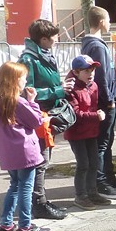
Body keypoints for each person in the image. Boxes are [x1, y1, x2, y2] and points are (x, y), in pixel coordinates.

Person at [0, 61, 51, 231]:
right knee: (26, 187)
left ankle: (6, 224)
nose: (25, 81)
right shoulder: (17, 101)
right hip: (24, 151)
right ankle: (25, 226)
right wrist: (32, 102)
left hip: (7, 152)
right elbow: (35, 121)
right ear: (14, 80)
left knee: (15, 186)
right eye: (23, 78)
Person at [19, 19, 73, 220]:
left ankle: (40, 200)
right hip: (38, 116)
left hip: (47, 115)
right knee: (41, 161)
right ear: (43, 39)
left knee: (43, 160)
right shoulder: (29, 59)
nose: (56, 39)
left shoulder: (43, 55)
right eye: (54, 36)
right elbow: (28, 92)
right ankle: (38, 204)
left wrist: (60, 89)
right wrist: (58, 90)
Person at [81, 6, 116, 197]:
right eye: (109, 20)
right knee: (102, 143)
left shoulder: (93, 44)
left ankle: (109, 176)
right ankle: (100, 181)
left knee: (107, 141)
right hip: (105, 102)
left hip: (105, 99)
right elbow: (101, 75)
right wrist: (109, 99)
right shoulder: (97, 46)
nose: (110, 24)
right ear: (102, 22)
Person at [64, 55, 110, 210]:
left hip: (91, 130)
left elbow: (93, 106)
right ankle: (81, 196)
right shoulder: (72, 89)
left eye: (92, 70)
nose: (90, 74)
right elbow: (75, 114)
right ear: (76, 72)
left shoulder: (93, 85)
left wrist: (97, 115)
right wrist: (95, 116)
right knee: (83, 164)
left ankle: (92, 192)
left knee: (94, 163)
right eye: (86, 71)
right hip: (76, 132)